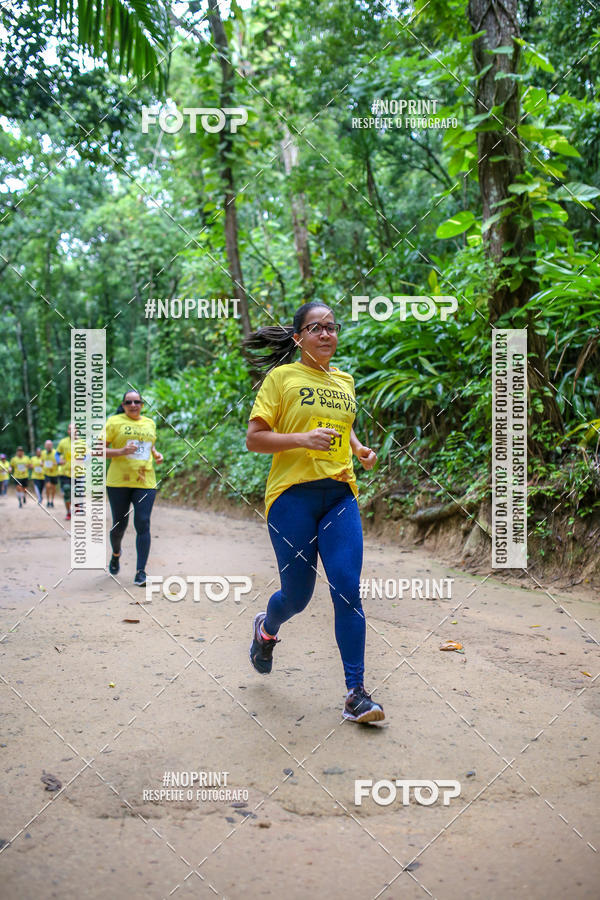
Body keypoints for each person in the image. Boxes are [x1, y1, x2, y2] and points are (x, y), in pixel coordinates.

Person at [244, 301, 384, 724]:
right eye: (316, 328)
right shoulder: (281, 378)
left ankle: (355, 693)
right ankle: (266, 630)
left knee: (347, 589)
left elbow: (342, 421)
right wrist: (303, 439)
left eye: (331, 327)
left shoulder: (345, 380)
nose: (326, 334)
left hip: (340, 494)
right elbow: (255, 439)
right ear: (298, 337)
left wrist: (357, 447)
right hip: (291, 497)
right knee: (298, 597)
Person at [102, 390, 163, 587]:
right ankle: (115, 554)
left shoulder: (150, 423)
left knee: (143, 523)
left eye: (137, 401)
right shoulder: (114, 421)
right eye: (129, 402)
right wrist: (121, 451)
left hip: (145, 482)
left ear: (142, 404)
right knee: (119, 525)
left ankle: (141, 572)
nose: (133, 405)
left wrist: (157, 454)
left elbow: (149, 446)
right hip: (118, 482)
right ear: (123, 404)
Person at [57, 425, 74, 520]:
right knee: (67, 491)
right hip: (65, 473)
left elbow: (87, 455)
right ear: (68, 431)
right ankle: (68, 512)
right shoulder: (63, 442)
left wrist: (83, 459)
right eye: (70, 429)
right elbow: (57, 454)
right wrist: (58, 460)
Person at [41, 439, 58, 507]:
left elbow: (60, 461)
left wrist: (55, 463)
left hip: (54, 473)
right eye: (47, 445)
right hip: (46, 473)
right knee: (48, 486)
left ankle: (52, 501)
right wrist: (41, 463)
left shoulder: (56, 452)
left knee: (53, 488)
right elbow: (42, 461)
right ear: (45, 446)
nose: (48, 446)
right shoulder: (43, 453)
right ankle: (48, 500)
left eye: (49, 445)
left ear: (52, 445)